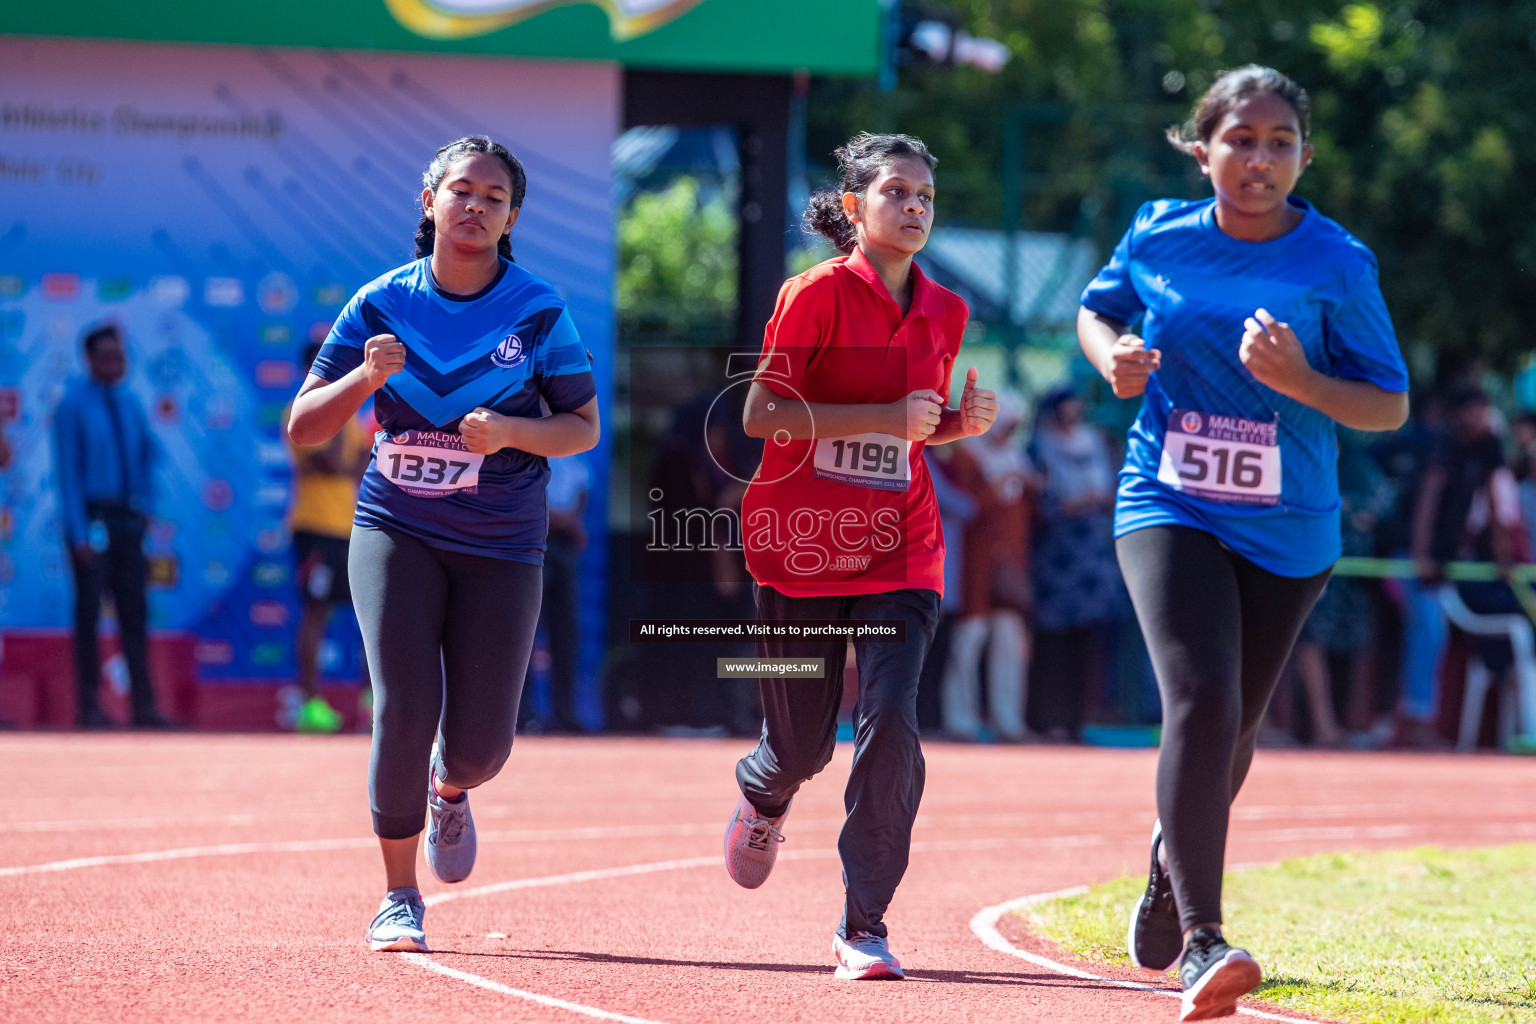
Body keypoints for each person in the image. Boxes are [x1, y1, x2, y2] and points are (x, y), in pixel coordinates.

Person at [1077, 67, 1408, 1021]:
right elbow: (1100, 313)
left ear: (1304, 154)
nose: (1257, 159)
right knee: (1202, 699)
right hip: (1167, 500)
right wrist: (1115, 360)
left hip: (1290, 527)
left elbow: (1387, 404)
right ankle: (1203, 941)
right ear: (1202, 146)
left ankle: (1166, 859)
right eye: (1240, 139)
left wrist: (1302, 380)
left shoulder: (1337, 262)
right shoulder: (1156, 232)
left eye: (1277, 142)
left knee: (1239, 724)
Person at [287, 135, 600, 953]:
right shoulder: (380, 304)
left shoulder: (538, 311)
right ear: (429, 201)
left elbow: (582, 426)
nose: (475, 207)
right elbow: (300, 427)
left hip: (502, 541)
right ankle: (398, 896)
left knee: (482, 745)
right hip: (396, 526)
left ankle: (451, 787)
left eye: (494, 198)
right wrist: (363, 380)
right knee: (405, 706)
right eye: (462, 191)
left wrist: (509, 431)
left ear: (512, 218)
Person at [720, 132, 998, 981]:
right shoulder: (814, 295)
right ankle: (767, 787)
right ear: (854, 208)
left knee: (891, 725)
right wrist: (886, 417)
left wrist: (957, 425)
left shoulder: (946, 310)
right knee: (804, 747)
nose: (914, 207)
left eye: (926, 197)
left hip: (901, 550)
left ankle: (863, 924)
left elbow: (913, 431)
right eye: (897, 193)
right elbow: (761, 416)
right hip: (802, 545)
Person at [52, 322, 172, 729]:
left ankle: (145, 708)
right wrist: (78, 533)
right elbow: (67, 473)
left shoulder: (131, 403)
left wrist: (145, 510)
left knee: (134, 614)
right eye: (106, 356)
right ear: (89, 360)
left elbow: (145, 459)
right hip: (92, 520)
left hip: (127, 519)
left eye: (120, 356)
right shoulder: (72, 406)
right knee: (88, 615)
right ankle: (89, 707)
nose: (115, 363)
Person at [284, 338, 373, 734]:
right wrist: (342, 404)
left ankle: (372, 702)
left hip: (351, 528)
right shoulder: (299, 412)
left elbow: (356, 470)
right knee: (316, 613)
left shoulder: (349, 417)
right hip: (313, 528)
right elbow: (335, 461)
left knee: (373, 618)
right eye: (329, 363)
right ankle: (309, 705)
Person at [1027, 386, 1122, 740]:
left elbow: (1115, 491)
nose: (1071, 419)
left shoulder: (1096, 442)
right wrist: (1079, 502)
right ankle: (1046, 718)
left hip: (1092, 558)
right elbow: (1042, 504)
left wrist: (1098, 501)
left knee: (1086, 640)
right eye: (1064, 413)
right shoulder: (1039, 446)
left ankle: (1075, 720)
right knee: (1052, 640)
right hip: (1055, 557)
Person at [940, 390, 1032, 742]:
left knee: (1009, 643)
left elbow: (1028, 513)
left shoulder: (1017, 457)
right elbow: (967, 507)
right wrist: (997, 486)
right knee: (969, 641)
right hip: (973, 565)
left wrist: (1029, 485)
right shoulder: (967, 453)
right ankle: (960, 719)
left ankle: (1008, 720)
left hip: (1010, 566)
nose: (1009, 432)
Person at [523, 452, 590, 734]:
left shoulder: (573, 450)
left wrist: (572, 520)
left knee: (565, 633)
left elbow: (584, 487)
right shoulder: (527, 447)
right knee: (525, 633)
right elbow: (524, 497)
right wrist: (564, 520)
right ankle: (523, 715)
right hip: (533, 539)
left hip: (563, 546)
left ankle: (563, 714)